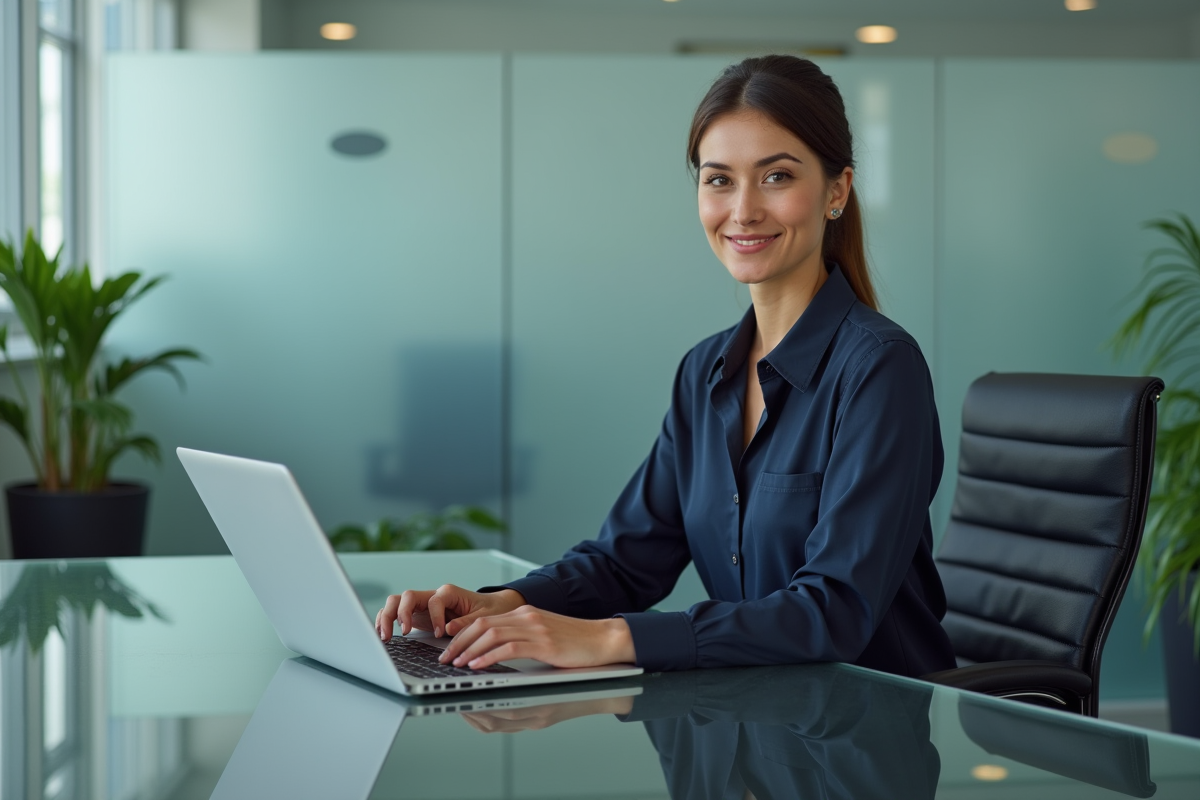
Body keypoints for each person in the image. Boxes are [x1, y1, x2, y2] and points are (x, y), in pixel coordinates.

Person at [375, 55, 956, 679]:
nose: (743, 211)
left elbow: (834, 611)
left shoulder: (879, 371)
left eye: (777, 176)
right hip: (752, 723)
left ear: (837, 191)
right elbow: (628, 559)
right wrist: (502, 604)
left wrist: (605, 640)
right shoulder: (706, 372)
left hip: (866, 734)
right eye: (718, 180)